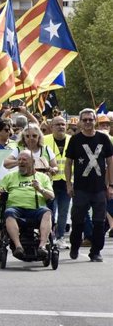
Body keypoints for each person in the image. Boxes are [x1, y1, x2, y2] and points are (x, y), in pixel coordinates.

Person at [64, 108, 113, 262]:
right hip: (80, 188)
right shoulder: (75, 140)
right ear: (80, 122)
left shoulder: (103, 139)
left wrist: (111, 185)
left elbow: (110, 162)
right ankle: (74, 246)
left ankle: (96, 251)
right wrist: (68, 184)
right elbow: (68, 163)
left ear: (95, 121)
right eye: (84, 120)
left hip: (99, 189)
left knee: (99, 222)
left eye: (90, 119)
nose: (87, 122)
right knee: (77, 221)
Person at [0, 150, 54, 259]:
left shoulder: (42, 177)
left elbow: (51, 196)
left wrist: (40, 189)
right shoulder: (10, 177)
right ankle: (18, 247)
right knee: (9, 212)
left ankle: (42, 246)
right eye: (19, 160)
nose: (21, 162)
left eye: (24, 160)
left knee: (47, 212)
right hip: (16, 209)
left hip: (36, 209)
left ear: (32, 162)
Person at [43, 116, 71, 249]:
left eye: (63, 124)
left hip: (67, 181)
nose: (61, 127)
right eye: (57, 124)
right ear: (51, 127)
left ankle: (60, 237)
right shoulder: (44, 140)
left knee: (64, 211)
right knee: (50, 211)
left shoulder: (72, 140)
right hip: (50, 182)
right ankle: (49, 236)